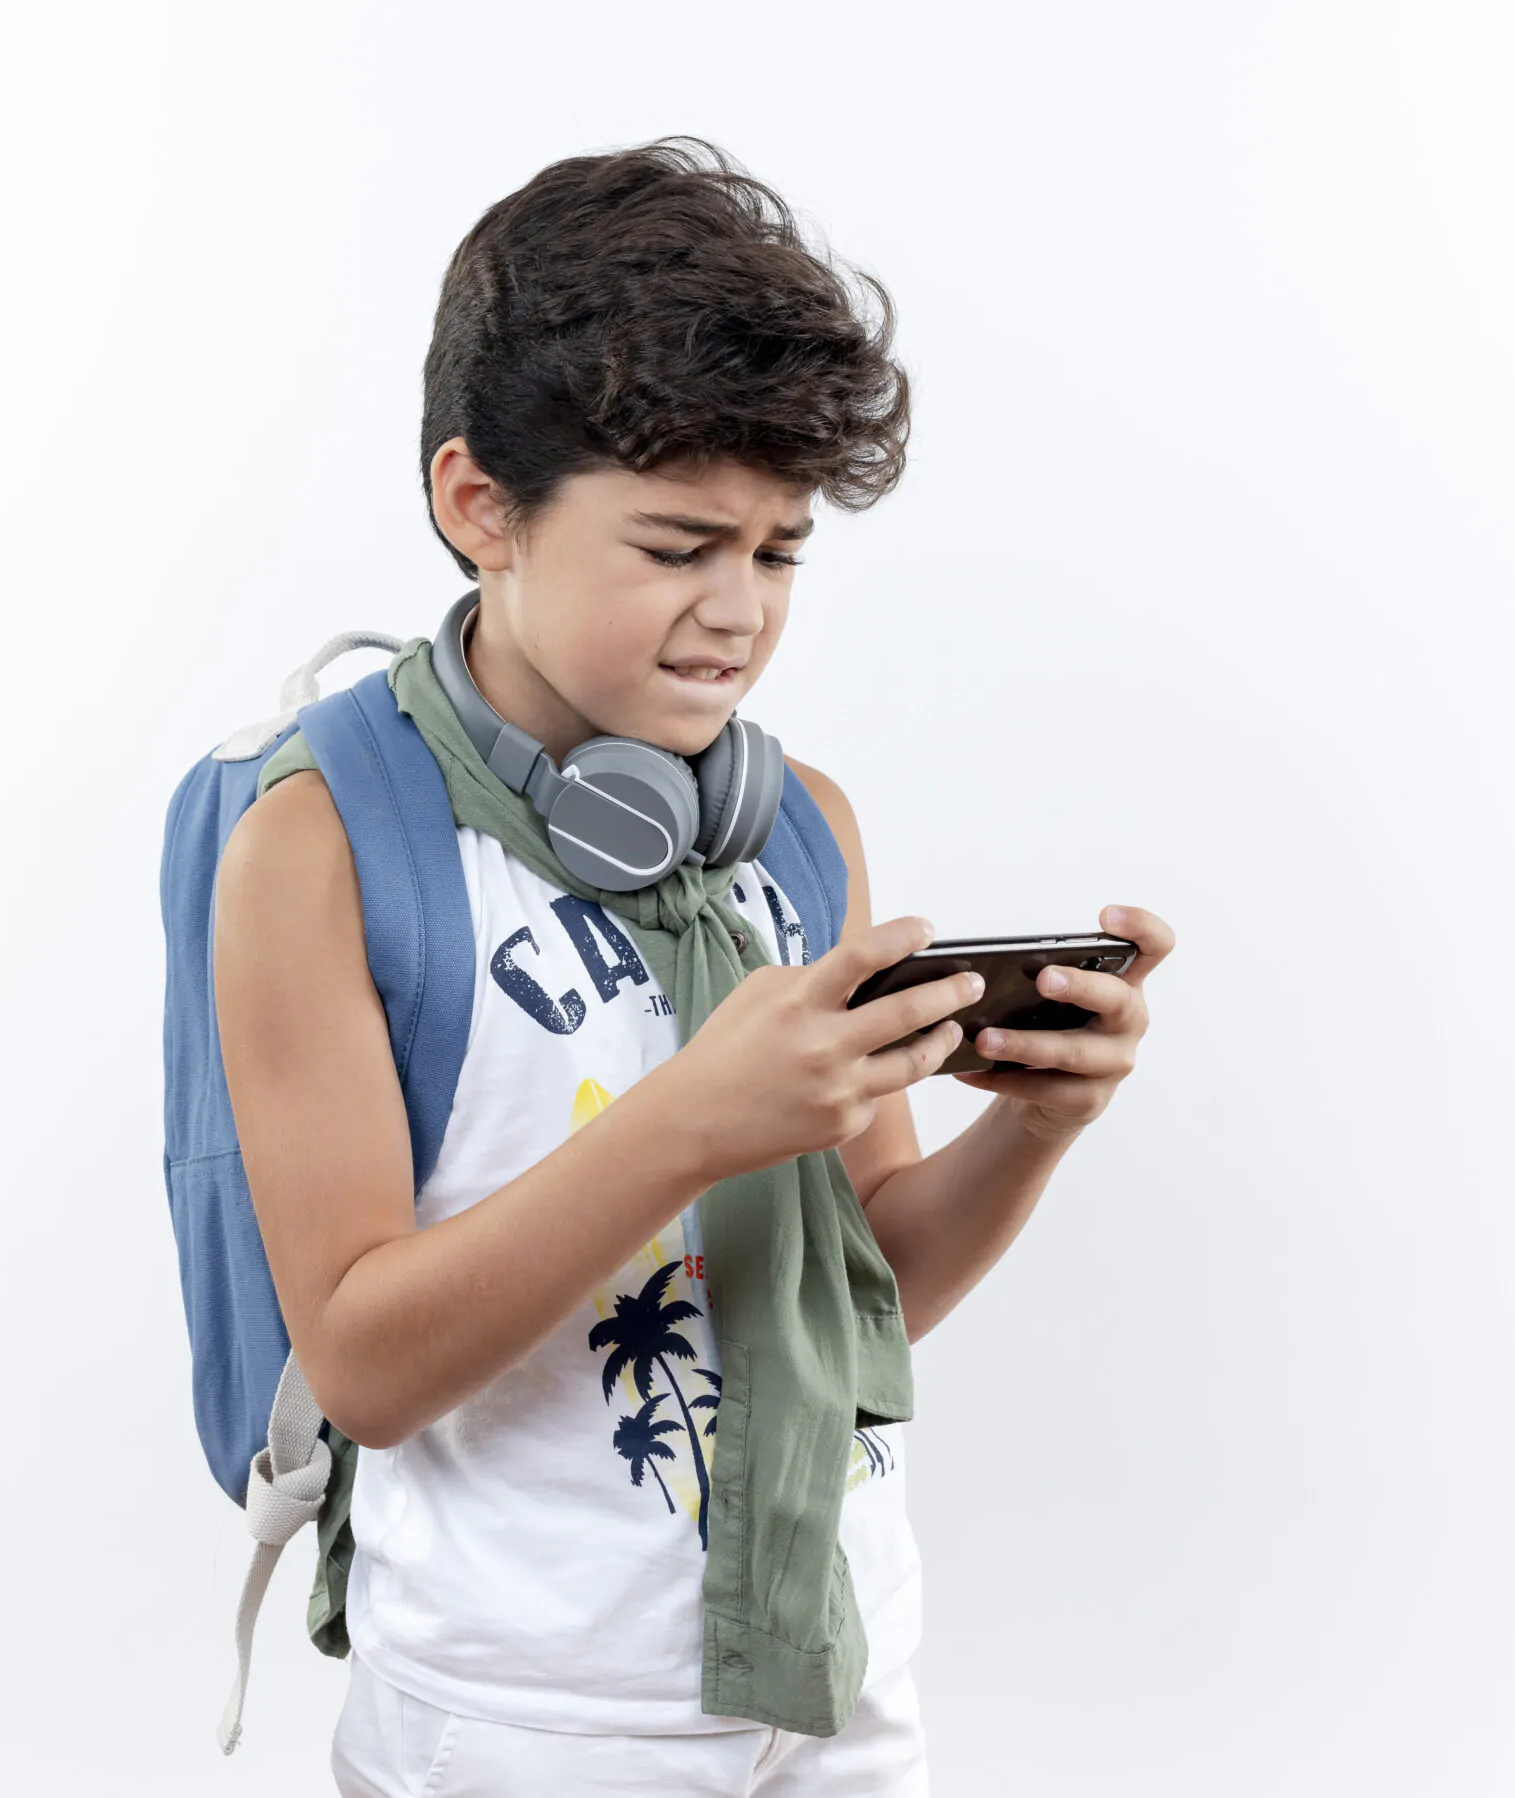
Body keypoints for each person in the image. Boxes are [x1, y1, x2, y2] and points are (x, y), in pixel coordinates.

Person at [211, 136, 1172, 1798]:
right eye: (676, 547)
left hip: (832, 1671)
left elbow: (873, 1283)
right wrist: (694, 1119)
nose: (740, 612)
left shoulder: (797, 825)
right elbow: (362, 1360)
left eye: (779, 550)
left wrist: (1036, 1123)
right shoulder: (322, 844)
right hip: (525, 1721)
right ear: (477, 506)